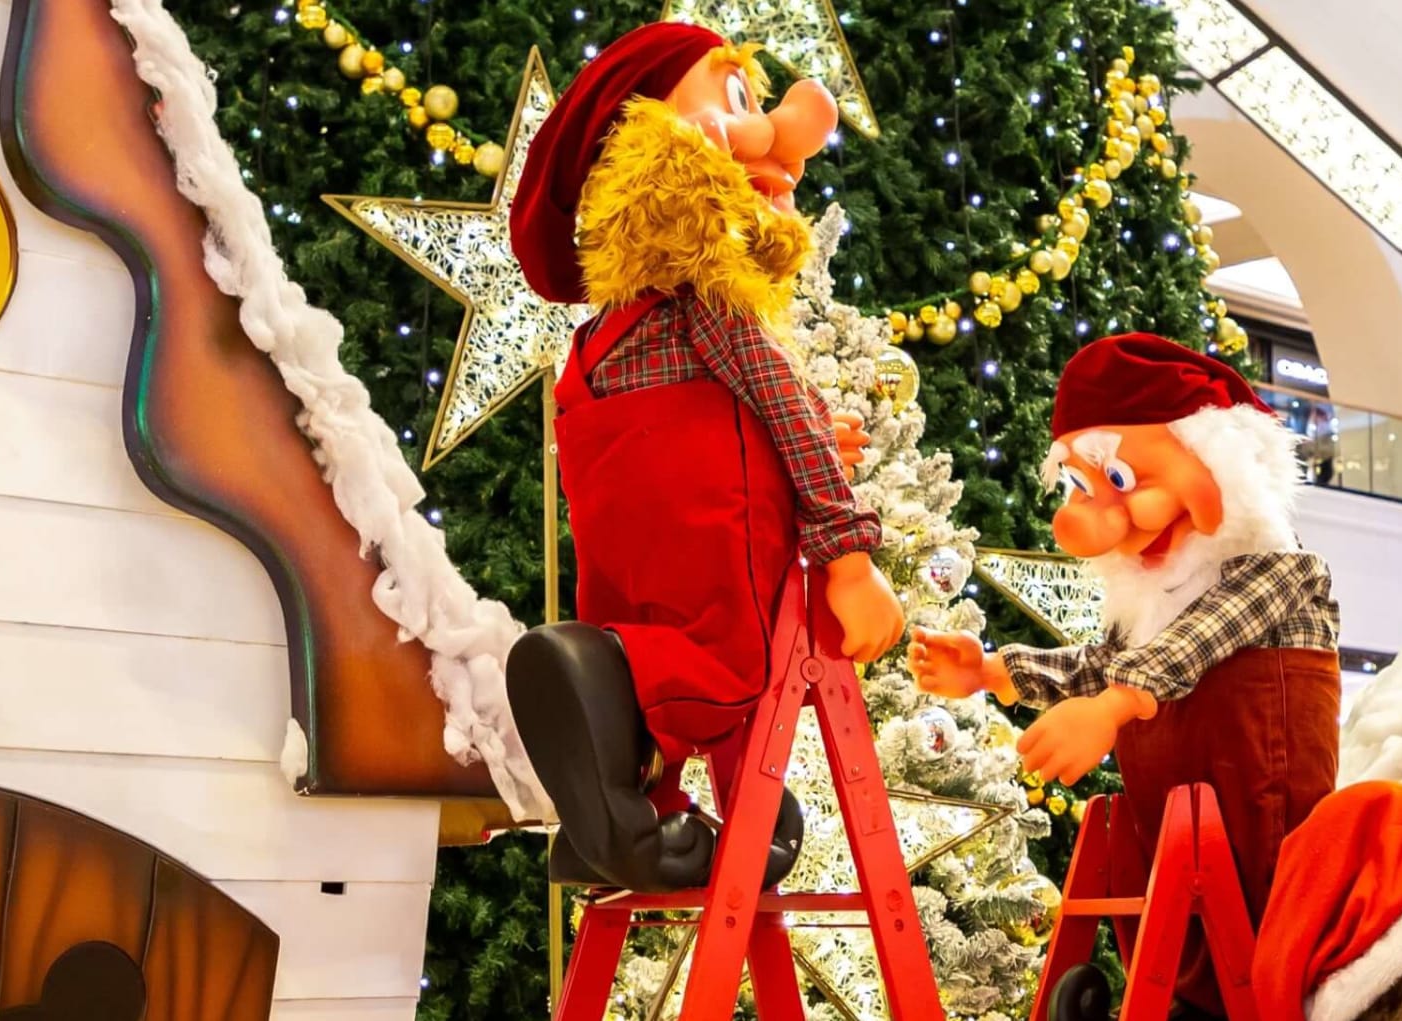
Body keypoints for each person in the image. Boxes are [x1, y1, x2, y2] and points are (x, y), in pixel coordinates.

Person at [499, 23, 903, 895]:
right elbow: (780, 404)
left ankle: (610, 801)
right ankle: (609, 729)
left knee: (639, 654)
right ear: (640, 148)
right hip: (719, 562)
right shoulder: (706, 300)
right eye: (735, 98)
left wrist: (757, 444)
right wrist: (849, 554)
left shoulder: (592, 344)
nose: (773, 129)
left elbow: (704, 425)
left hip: (626, 570)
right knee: (725, 672)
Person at [911, 335, 1344, 1021]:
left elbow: (1192, 645)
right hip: (1179, 849)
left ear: (1221, 464)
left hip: (1262, 859)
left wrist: (1114, 706)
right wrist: (993, 670)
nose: (1095, 515)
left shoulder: (1283, 575)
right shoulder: (1147, 612)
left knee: (1253, 970)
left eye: (1118, 480)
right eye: (1082, 485)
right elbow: (1098, 663)